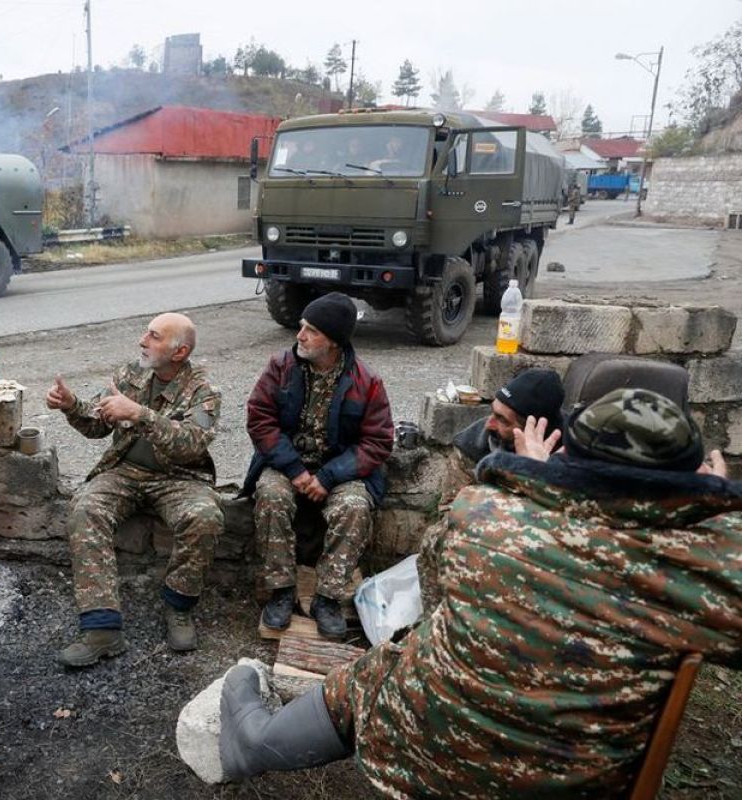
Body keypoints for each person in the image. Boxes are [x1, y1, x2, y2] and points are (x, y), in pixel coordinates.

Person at [218, 388, 741, 798]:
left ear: (568, 455)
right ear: (689, 478)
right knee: (394, 655)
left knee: (390, 661)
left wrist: (528, 479)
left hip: (413, 760)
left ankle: (256, 744)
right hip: (568, 785)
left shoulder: (486, 510)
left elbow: (437, 572)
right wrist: (716, 509)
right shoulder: (706, 566)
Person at [47, 312, 222, 667]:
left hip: (180, 478)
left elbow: (191, 444)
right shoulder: (132, 373)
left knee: (205, 517)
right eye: (146, 333)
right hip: (125, 470)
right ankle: (102, 629)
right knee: (85, 508)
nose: (143, 340)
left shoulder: (204, 390)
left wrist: (141, 414)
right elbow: (97, 423)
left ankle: (179, 606)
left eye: (154, 336)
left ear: (179, 352)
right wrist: (70, 406)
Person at [242, 293, 393, 638]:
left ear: (335, 342)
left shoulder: (367, 381)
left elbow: (378, 442)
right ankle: (281, 591)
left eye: (312, 330)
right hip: (286, 465)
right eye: (301, 327)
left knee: (355, 508)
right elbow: (260, 421)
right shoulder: (280, 367)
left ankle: (326, 597)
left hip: (339, 472)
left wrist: (327, 476)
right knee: (270, 495)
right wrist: (295, 470)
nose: (300, 336)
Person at [418, 368, 564, 611]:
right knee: (437, 538)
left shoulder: (567, 450)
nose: (489, 423)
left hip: (543, 540)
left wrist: (538, 475)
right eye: (493, 412)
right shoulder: (473, 443)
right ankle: (438, 619)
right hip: (485, 529)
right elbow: (450, 510)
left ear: (533, 428)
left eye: (503, 420)